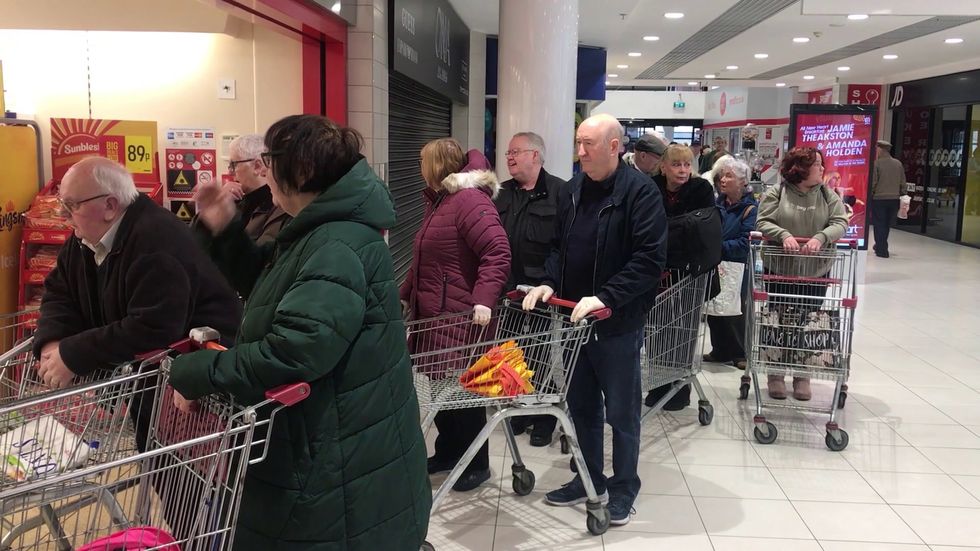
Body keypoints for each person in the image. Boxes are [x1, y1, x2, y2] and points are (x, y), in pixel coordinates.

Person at [169, 115, 431, 550]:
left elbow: (296, 351)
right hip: (336, 445)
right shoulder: (319, 230)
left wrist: (196, 371)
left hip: (332, 462)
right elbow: (272, 285)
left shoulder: (336, 244)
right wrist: (225, 229)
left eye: (269, 160)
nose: (263, 171)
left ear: (304, 171)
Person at [32, 156, 243, 543]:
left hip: (192, 378)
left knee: (185, 479)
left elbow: (154, 327)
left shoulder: (154, 240)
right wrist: (53, 343)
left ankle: (199, 540)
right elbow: (60, 291)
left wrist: (75, 354)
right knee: (163, 469)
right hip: (154, 378)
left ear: (110, 204)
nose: (65, 216)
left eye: (71, 206)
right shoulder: (88, 239)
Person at [522, 114, 667, 526]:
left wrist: (606, 296)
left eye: (588, 144)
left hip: (617, 323)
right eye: (577, 143)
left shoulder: (640, 193)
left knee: (621, 411)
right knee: (582, 405)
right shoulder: (571, 191)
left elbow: (648, 260)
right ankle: (589, 479)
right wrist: (549, 282)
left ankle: (623, 486)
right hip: (572, 320)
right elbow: (557, 247)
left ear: (614, 145)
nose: (580, 151)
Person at [400, 138, 511, 492]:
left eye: (422, 160)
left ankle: (476, 464)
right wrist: (404, 295)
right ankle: (449, 453)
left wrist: (484, 300)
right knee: (443, 392)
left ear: (436, 164)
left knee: (465, 394)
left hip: (462, 317)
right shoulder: (439, 201)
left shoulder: (467, 200)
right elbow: (425, 260)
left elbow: (497, 251)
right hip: (435, 315)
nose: (419, 165)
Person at [756, 147, 849, 400]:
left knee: (808, 319)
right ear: (800, 168)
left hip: (815, 270)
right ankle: (775, 372)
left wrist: (821, 237)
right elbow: (762, 221)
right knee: (777, 317)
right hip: (780, 267)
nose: (822, 168)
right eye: (817, 164)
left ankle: (801, 374)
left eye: (821, 164)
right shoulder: (778, 192)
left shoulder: (828, 195)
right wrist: (783, 234)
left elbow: (841, 222)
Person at [495, 131, 564, 447]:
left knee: (543, 351)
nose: (509, 157)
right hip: (507, 289)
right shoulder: (501, 193)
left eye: (516, 152)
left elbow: (563, 246)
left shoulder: (561, 193)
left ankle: (544, 417)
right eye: (508, 153)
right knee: (511, 350)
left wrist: (549, 283)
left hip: (542, 289)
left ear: (535, 155)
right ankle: (520, 408)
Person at [644, 144, 716, 411]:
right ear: (664, 166)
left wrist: (668, 228)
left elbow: (702, 227)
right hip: (657, 269)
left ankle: (679, 387)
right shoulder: (651, 187)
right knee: (656, 328)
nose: (683, 170)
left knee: (683, 329)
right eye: (677, 164)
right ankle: (657, 383)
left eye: (687, 165)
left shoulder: (701, 190)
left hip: (689, 271)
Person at [704, 157, 757, 370]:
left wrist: (717, 247)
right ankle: (720, 350)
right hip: (716, 265)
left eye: (729, 176)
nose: (723, 180)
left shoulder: (750, 208)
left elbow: (745, 242)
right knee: (714, 308)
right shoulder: (718, 204)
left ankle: (739, 353)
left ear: (743, 181)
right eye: (722, 176)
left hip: (737, 267)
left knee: (737, 310)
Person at [224, 133, 291, 244]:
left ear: (257, 166)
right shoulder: (235, 201)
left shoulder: (280, 205)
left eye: (234, 164)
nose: (229, 172)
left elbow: (258, 256)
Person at [872, 140, 905, 258]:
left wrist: (870, 194)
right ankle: (881, 245)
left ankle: (882, 250)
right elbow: (902, 183)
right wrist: (902, 195)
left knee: (879, 224)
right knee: (886, 224)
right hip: (894, 199)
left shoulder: (877, 164)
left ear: (880, 149)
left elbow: (873, 182)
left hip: (879, 199)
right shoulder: (898, 164)